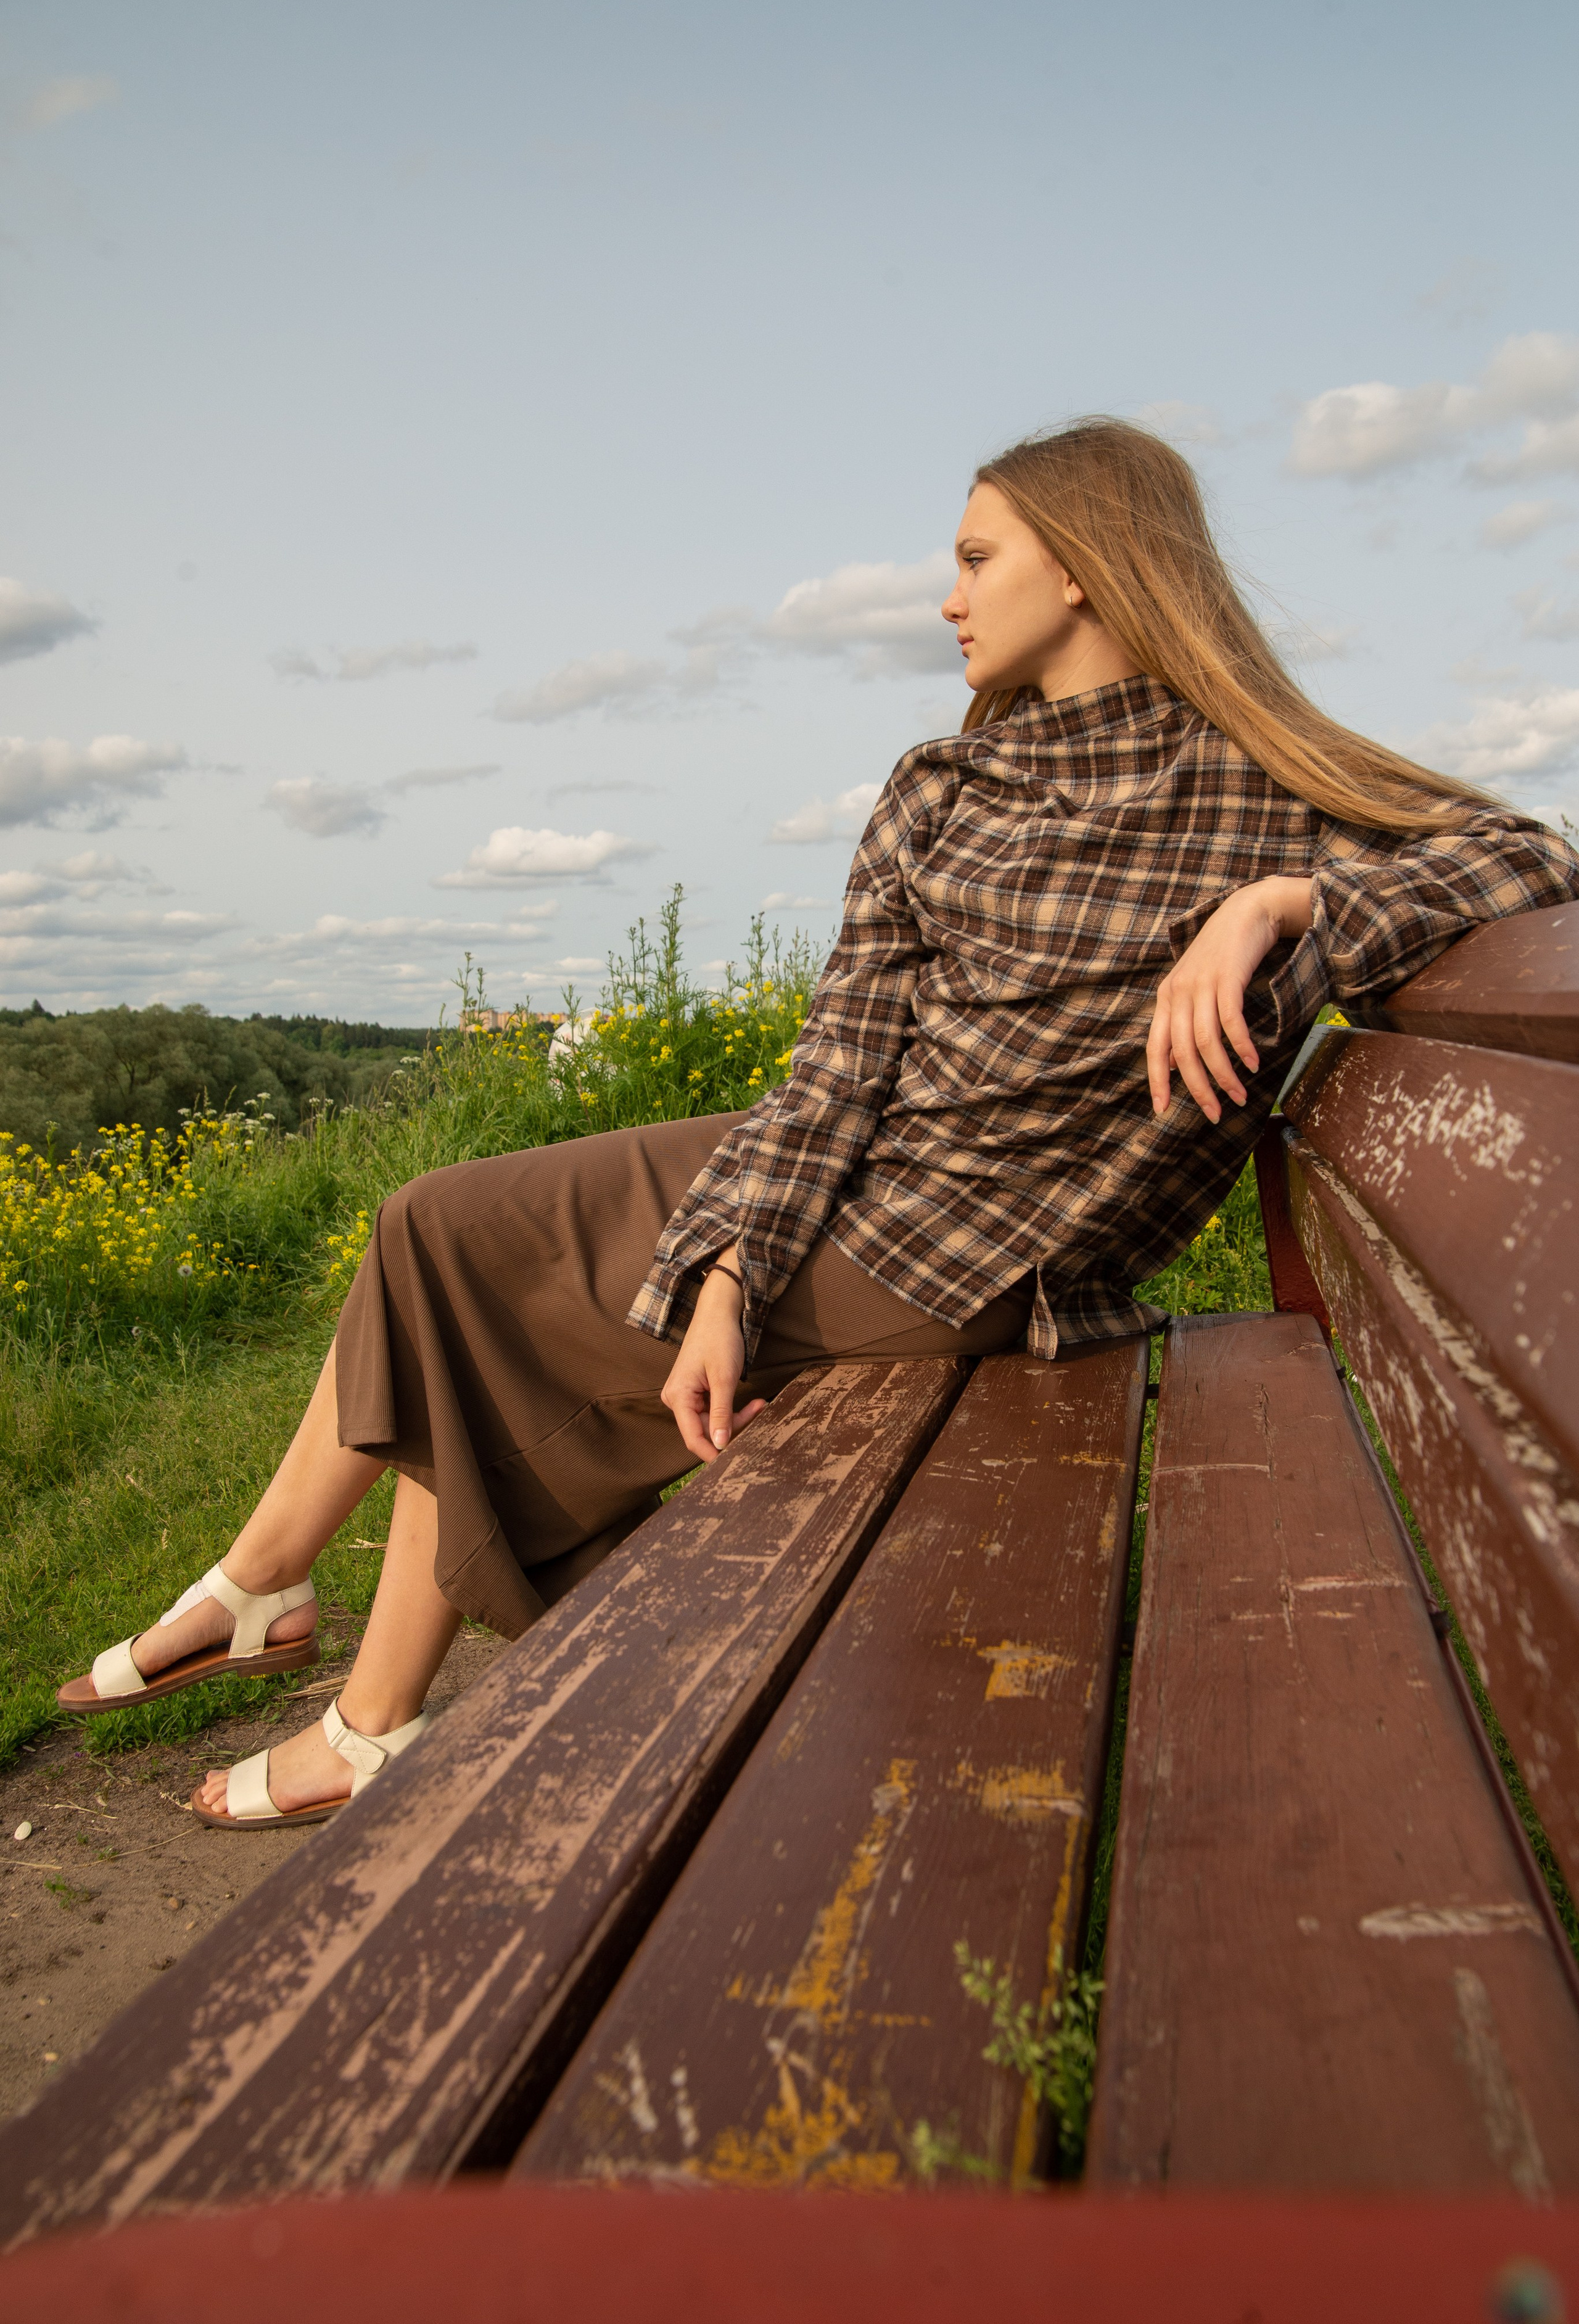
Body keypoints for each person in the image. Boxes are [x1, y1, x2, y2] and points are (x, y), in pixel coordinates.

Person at [57, 416, 1579, 1827]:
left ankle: (348, 1690)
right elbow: (839, 1058)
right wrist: (729, 1270)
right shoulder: (944, 784)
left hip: (974, 1265)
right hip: (859, 1185)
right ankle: (287, 1604)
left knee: (469, 1271)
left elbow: (1527, 857)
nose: (947, 599)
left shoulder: (1258, 787)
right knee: (440, 1220)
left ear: (1084, 564)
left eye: (974, 557)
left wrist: (1283, 901)